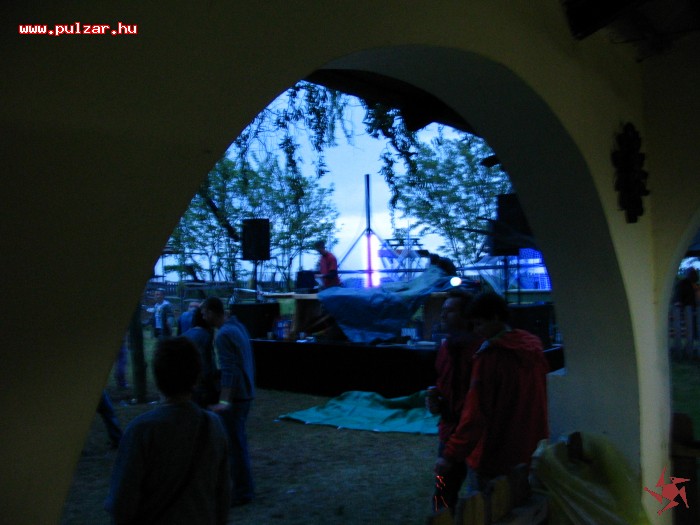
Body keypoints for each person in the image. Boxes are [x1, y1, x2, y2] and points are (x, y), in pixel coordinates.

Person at [105, 336, 231, 524]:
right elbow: (223, 494)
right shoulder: (214, 425)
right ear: (197, 377)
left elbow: (121, 503)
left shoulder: (141, 430)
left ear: (158, 378)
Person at [435, 292, 549, 493]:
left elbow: (475, 413)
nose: (477, 330)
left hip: (494, 454)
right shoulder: (533, 348)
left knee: (482, 505)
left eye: (479, 324)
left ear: (495, 318)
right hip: (530, 448)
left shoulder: (490, 357)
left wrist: (450, 455)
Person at [426, 288, 482, 513]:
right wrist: (437, 399)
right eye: (443, 310)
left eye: (449, 311)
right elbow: (444, 384)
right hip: (449, 432)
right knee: (442, 490)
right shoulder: (446, 348)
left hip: (474, 434)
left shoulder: (480, 352)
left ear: (467, 316)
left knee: (480, 494)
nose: (443, 315)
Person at [201, 296, 255, 506]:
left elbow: (229, 371)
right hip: (246, 393)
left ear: (212, 312)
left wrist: (223, 402)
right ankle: (242, 488)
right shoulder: (238, 326)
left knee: (235, 445)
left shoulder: (224, 334)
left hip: (237, 397)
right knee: (237, 442)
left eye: (204, 312)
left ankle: (242, 491)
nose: (203, 316)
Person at [183, 307, 219, 408]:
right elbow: (208, 364)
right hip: (203, 386)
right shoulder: (206, 336)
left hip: (188, 384)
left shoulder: (185, 335)